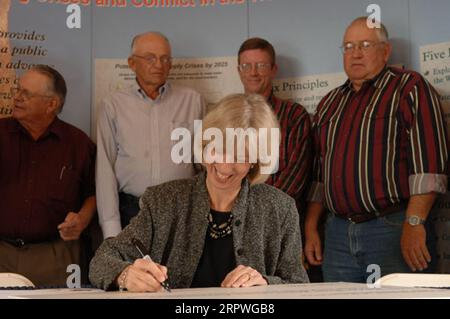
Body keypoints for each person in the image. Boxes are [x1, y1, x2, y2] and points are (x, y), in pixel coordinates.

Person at [89, 94, 309, 291]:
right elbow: (101, 261)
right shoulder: (163, 200)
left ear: (255, 161)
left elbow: (298, 284)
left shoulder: (280, 208)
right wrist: (125, 275)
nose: (224, 165)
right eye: (218, 149)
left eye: (239, 156)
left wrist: (266, 282)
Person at [304, 17, 448, 282]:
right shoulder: (329, 102)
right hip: (337, 234)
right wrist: (311, 226)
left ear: (386, 51)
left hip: (392, 227)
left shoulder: (409, 88)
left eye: (365, 45)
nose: (355, 53)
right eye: (348, 46)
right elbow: (320, 175)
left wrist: (414, 223)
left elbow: (429, 167)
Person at [96, 32, 205, 239]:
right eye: (150, 58)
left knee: (181, 272)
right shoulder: (113, 105)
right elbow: (105, 169)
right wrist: (111, 230)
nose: (159, 65)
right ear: (132, 63)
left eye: (165, 58)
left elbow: (203, 164)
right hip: (132, 212)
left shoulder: (193, 101)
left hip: (181, 212)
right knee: (136, 272)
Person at [0, 65, 96, 286]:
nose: (17, 98)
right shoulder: (2, 134)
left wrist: (82, 219)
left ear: (52, 104)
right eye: (18, 90)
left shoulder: (78, 144)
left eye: (27, 94)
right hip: (2, 252)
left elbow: (93, 193)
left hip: (54, 256)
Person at [237, 38, 312, 211]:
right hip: (235, 222)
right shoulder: (227, 118)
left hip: (278, 221)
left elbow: (295, 179)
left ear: (273, 70)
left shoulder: (295, 116)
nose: (253, 72)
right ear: (239, 71)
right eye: (246, 66)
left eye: (261, 65)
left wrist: (257, 212)